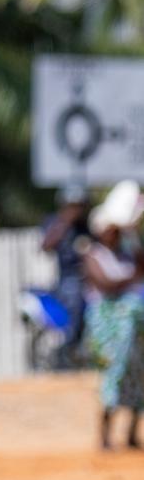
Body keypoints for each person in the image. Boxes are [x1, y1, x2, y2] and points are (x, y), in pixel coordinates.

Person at [83, 182, 144, 450]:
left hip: (134, 328)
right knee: (114, 373)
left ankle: (131, 434)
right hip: (109, 328)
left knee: (138, 374)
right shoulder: (93, 255)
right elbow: (107, 285)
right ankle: (105, 436)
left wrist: (132, 233)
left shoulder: (127, 254)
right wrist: (132, 279)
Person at [41, 186, 91, 367]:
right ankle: (70, 347)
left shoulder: (86, 226)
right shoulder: (55, 222)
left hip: (90, 277)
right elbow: (46, 246)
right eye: (73, 205)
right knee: (76, 298)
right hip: (68, 279)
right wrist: (64, 223)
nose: (77, 209)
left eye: (80, 205)